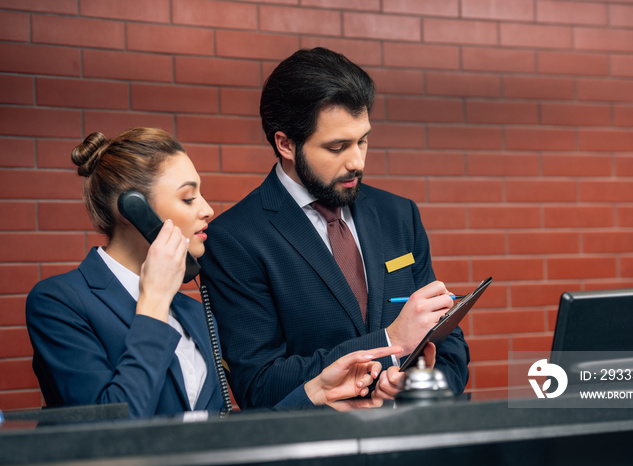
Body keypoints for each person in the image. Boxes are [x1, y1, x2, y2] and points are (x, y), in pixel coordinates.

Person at [25, 128, 401, 419]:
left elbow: (218, 433)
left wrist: (313, 393)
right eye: (188, 198)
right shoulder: (60, 302)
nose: (207, 210)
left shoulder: (190, 314)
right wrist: (153, 301)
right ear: (133, 210)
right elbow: (109, 429)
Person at [198, 47, 470, 410]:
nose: (357, 161)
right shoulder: (235, 240)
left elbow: (449, 346)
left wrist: (417, 385)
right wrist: (390, 342)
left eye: (363, 140)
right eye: (338, 146)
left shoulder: (398, 214)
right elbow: (259, 386)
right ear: (286, 144)